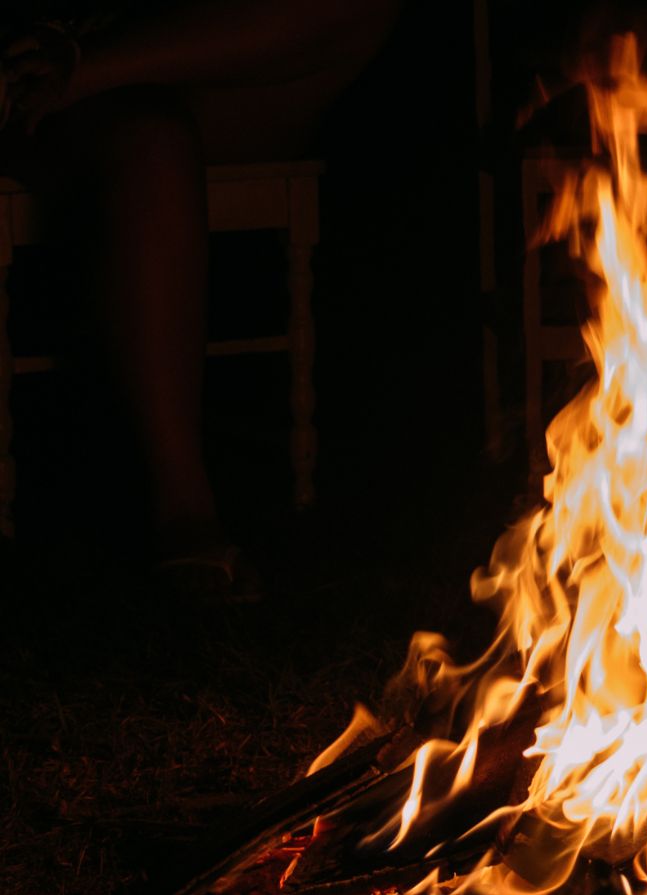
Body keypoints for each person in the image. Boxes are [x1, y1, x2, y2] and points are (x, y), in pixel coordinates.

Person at [0, 0, 400, 598]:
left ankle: (89, 69)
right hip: (42, 84)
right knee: (150, 137)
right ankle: (184, 513)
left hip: (163, 59)